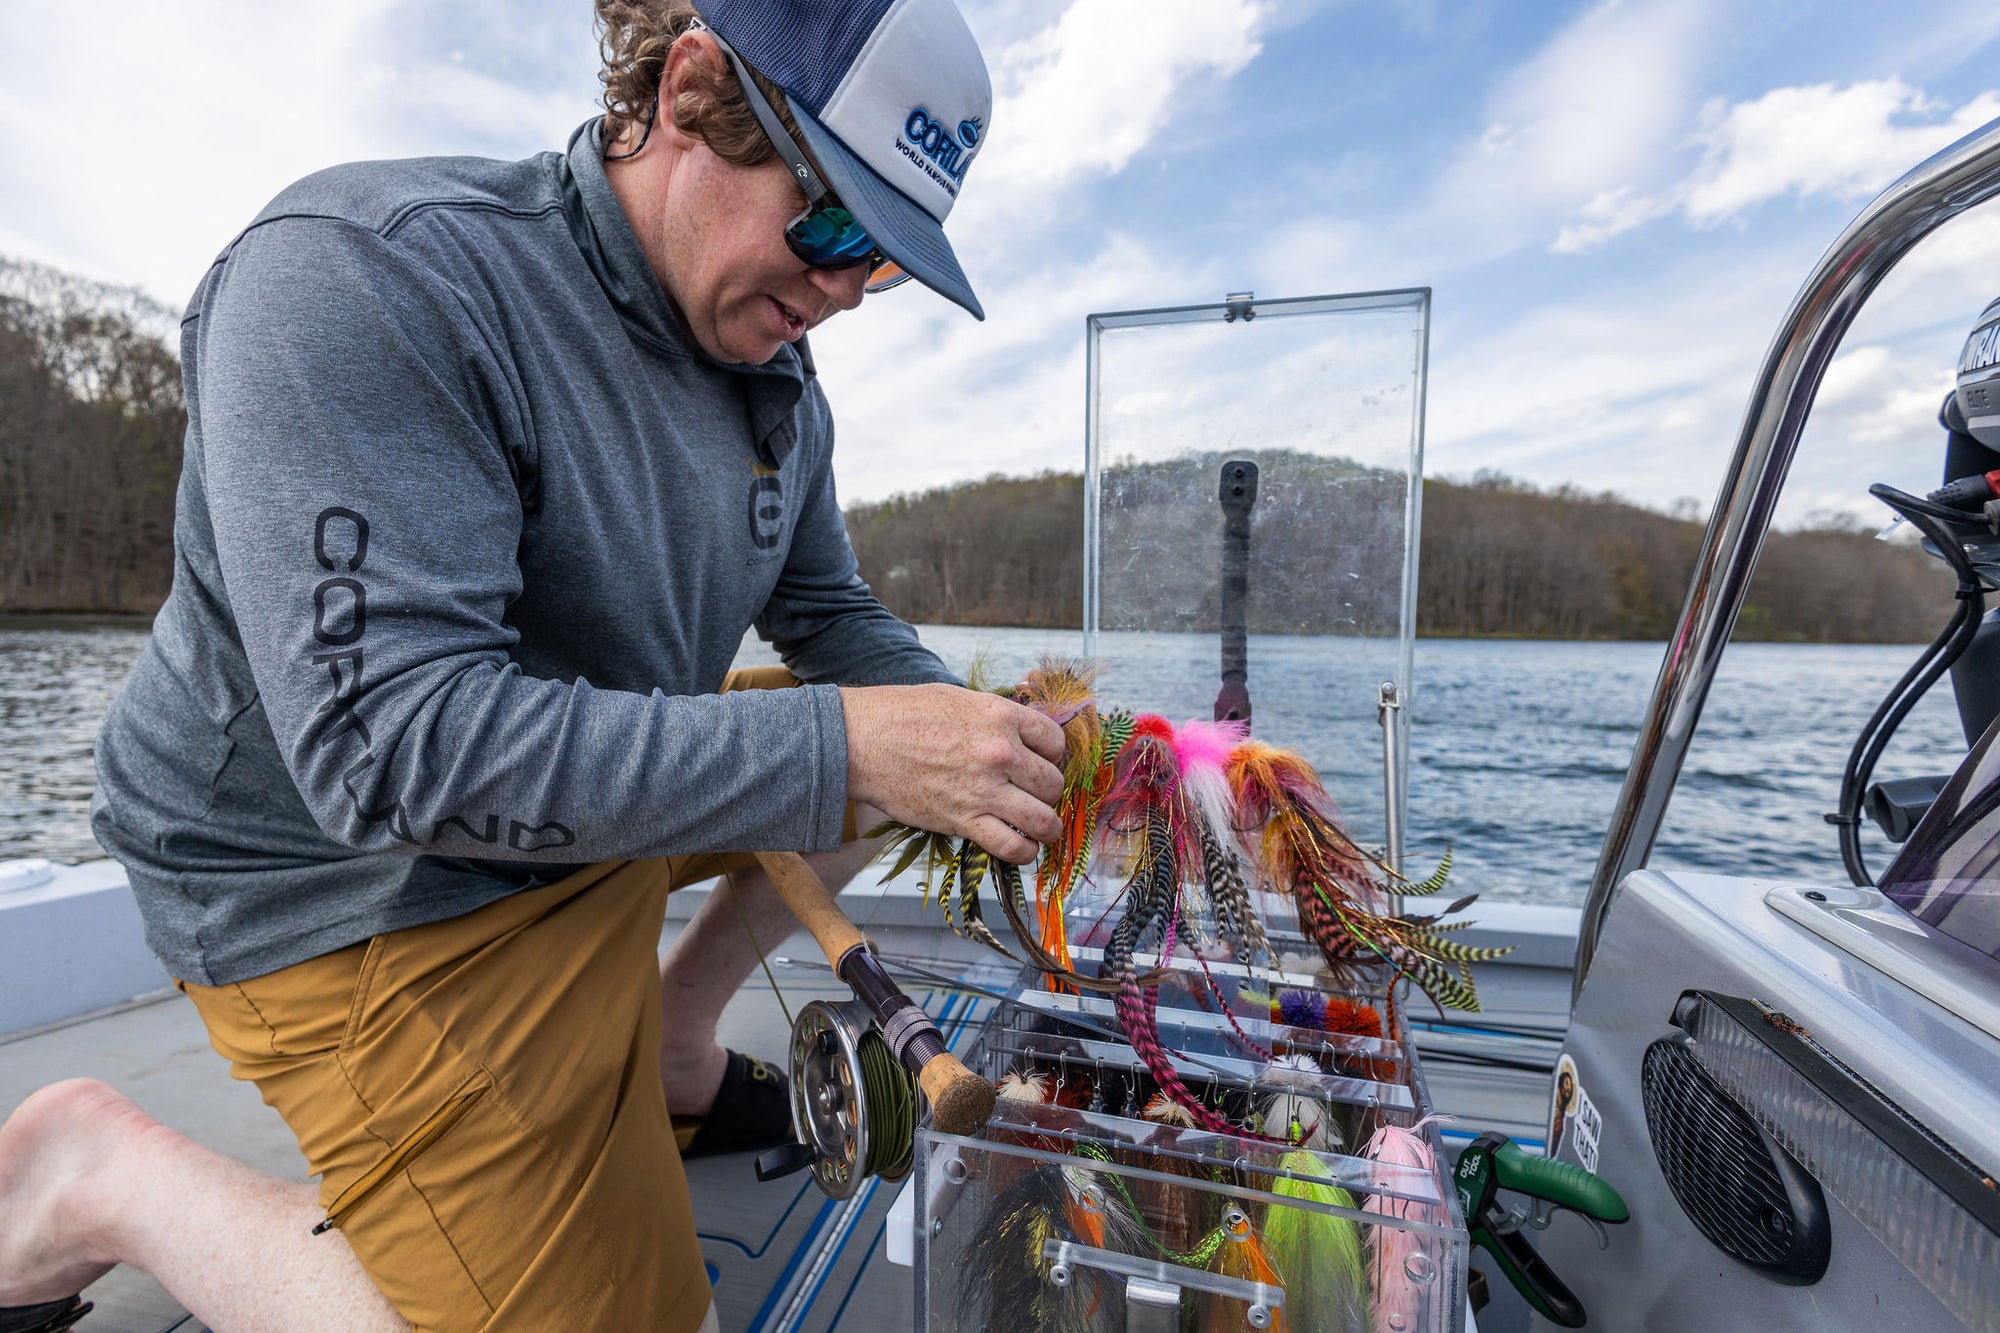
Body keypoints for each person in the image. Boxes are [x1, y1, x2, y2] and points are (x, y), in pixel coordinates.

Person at [0, 1, 1066, 1329]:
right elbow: (392, 756)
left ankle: (678, 1044)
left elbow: (831, 612)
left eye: (885, 263)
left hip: (580, 798)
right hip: (347, 886)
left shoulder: (779, 377)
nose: (846, 290)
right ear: (689, 96)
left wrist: (971, 731)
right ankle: (93, 1170)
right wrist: (859, 747)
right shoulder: (366, 278)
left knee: (926, 749)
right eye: (837, 225)